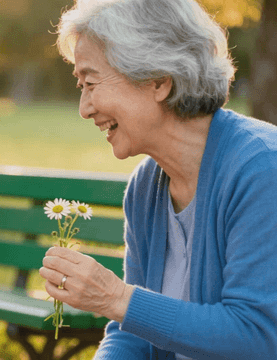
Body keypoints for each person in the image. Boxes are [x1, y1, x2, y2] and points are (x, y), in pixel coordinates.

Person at [38, 0, 277, 359]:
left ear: (158, 81)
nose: (84, 109)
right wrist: (120, 309)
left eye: (90, 82)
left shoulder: (261, 169)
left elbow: (257, 337)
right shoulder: (146, 187)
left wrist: (117, 298)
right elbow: (131, 333)